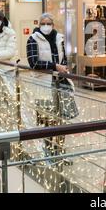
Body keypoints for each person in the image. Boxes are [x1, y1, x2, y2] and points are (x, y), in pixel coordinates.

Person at [26, 13, 77, 164]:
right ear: (39, 24)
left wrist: (64, 67)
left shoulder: (59, 38)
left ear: (53, 25)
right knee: (48, 121)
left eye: (49, 23)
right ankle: (48, 152)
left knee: (63, 119)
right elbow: (33, 63)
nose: (46, 26)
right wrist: (55, 66)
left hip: (62, 84)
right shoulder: (33, 39)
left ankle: (60, 152)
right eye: (44, 23)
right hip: (44, 85)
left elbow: (64, 59)